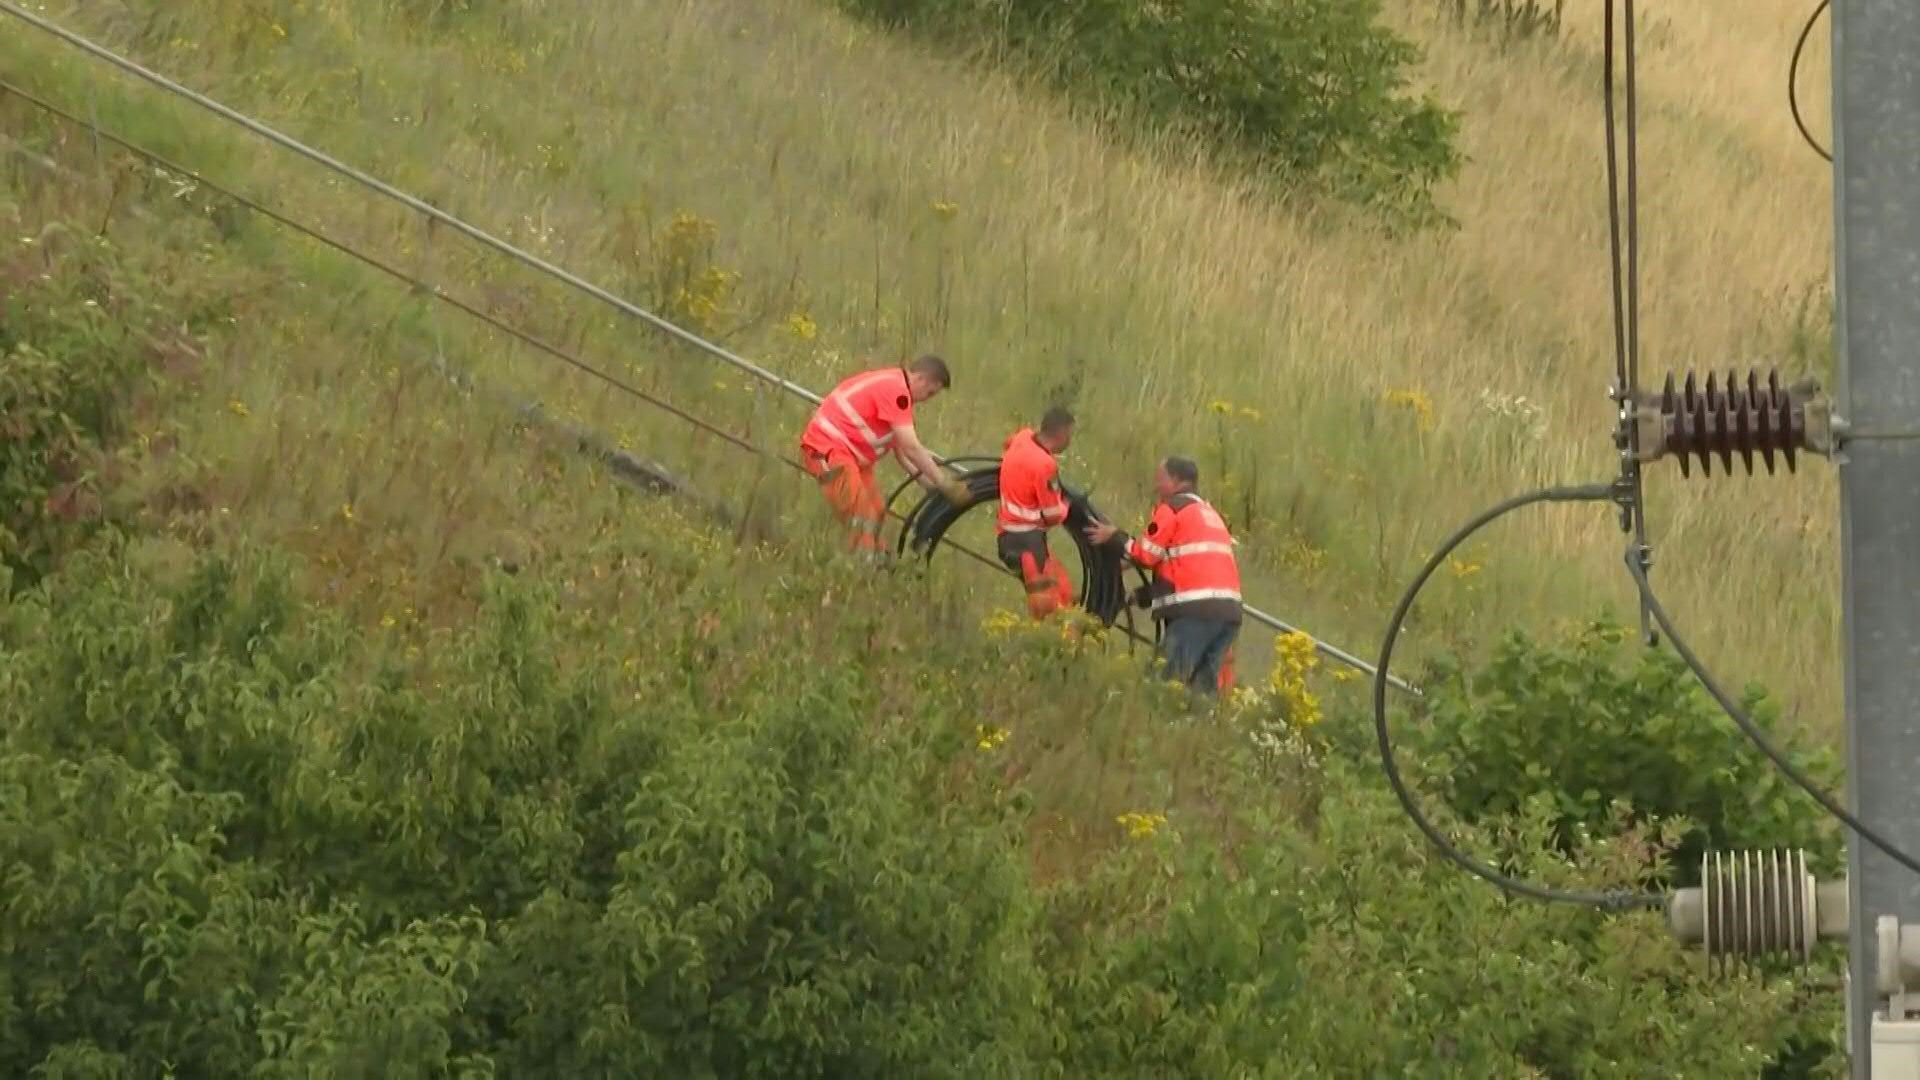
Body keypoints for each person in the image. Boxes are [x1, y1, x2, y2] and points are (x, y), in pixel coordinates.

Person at [1086, 456, 1243, 694]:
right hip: (1228, 612)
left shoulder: (1172, 509)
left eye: (1161, 479)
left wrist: (1115, 536)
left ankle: (1150, 723)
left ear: (1177, 481)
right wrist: (1141, 595)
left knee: (1163, 684)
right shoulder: (1209, 515)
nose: (1156, 485)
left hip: (1195, 613)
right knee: (1202, 688)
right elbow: (1184, 568)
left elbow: (1146, 555)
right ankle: (1197, 728)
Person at [799, 355, 968, 555]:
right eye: (930, 393)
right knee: (862, 517)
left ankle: (879, 563)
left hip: (851, 457)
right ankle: (864, 571)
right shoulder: (896, 392)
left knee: (877, 513)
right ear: (922, 379)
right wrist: (945, 484)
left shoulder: (896, 391)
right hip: (827, 448)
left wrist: (931, 488)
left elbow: (903, 453)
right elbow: (912, 448)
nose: (927, 399)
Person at [996, 407, 1077, 620]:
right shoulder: (1044, 464)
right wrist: (1065, 505)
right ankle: (1051, 644)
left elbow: (1007, 444)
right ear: (1061, 435)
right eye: (1070, 435)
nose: (1069, 441)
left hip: (1008, 537)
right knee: (1049, 605)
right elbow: (1052, 516)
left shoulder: (1022, 437)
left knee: (1064, 590)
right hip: (1026, 544)